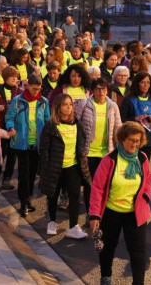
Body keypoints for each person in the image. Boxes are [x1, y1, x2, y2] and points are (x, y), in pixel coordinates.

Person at [89, 121, 151, 285]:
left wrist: (145, 197)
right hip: (111, 212)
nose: (135, 144)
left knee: (138, 252)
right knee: (108, 248)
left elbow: (148, 181)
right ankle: (106, 277)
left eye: (138, 141)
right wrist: (95, 215)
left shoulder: (142, 158)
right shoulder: (109, 160)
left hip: (135, 212)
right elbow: (97, 188)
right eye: (131, 140)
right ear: (122, 139)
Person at [39, 93, 91, 238]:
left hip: (72, 166)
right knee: (53, 195)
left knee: (75, 195)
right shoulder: (51, 125)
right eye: (65, 105)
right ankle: (52, 221)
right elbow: (44, 149)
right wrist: (46, 167)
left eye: (71, 104)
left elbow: (82, 142)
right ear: (58, 107)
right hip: (55, 167)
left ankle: (73, 226)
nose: (69, 107)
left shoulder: (77, 123)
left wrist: (82, 157)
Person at [5, 74, 50, 217]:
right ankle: (23, 202)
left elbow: (47, 120)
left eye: (38, 89)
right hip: (21, 143)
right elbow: (10, 117)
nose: (36, 91)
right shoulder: (17, 101)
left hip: (36, 144)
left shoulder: (43, 102)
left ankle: (28, 198)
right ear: (28, 86)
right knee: (23, 174)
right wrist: (10, 127)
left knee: (32, 174)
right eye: (34, 88)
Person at [80, 78, 122, 216]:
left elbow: (118, 128)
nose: (101, 92)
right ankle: (90, 213)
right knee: (89, 186)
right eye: (98, 89)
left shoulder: (112, 106)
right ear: (92, 90)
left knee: (105, 185)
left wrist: (119, 149)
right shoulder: (85, 104)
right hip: (89, 152)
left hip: (106, 152)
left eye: (104, 89)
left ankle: (101, 213)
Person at [0, 66, 23, 190]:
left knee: (12, 154)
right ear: (5, 77)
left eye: (16, 77)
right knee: (0, 152)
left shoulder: (19, 91)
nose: (14, 79)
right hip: (0, 124)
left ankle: (7, 179)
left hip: (14, 126)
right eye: (12, 77)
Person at [120, 71, 151, 160]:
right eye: (143, 82)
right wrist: (135, 119)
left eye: (148, 82)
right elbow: (122, 119)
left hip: (148, 139)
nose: (146, 85)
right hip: (132, 139)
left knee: (144, 165)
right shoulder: (128, 99)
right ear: (137, 84)